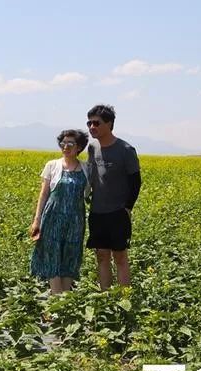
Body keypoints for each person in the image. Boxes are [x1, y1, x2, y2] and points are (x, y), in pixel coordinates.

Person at [85, 104, 141, 290]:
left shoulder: (125, 149)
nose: (92, 127)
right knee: (101, 255)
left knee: (120, 256)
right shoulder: (92, 148)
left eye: (96, 123)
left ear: (109, 124)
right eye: (89, 123)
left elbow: (135, 182)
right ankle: (105, 297)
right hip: (97, 211)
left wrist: (127, 208)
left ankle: (124, 297)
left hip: (118, 212)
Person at [30, 129, 90, 294]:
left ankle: (64, 300)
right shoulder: (52, 165)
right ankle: (57, 298)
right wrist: (37, 220)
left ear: (79, 147)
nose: (65, 147)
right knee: (52, 254)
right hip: (52, 217)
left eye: (70, 144)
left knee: (71, 255)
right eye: (63, 144)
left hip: (75, 220)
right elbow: (44, 194)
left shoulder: (86, 168)